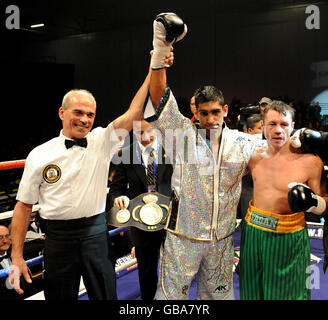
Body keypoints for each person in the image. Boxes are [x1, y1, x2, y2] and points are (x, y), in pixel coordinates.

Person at [9, 63, 172, 300]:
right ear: (61, 113)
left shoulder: (101, 140)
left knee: (106, 295)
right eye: (78, 112)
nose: (84, 119)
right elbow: (23, 206)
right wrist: (16, 256)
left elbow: (134, 111)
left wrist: (154, 66)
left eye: (90, 114)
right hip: (57, 238)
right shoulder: (39, 155)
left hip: (96, 233)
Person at [146, 12, 265, 300]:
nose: (210, 118)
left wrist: (298, 137)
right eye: (204, 112)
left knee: (219, 299)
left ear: (225, 111)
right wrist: (160, 51)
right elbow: (160, 98)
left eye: (215, 112)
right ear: (195, 113)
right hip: (182, 238)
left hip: (221, 241)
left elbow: (276, 143)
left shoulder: (243, 142)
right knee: (172, 300)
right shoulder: (181, 137)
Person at [239, 100, 328, 300]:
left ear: (293, 126)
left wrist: (314, 203)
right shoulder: (253, 157)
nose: (278, 130)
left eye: (284, 124)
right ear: (262, 126)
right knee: (251, 295)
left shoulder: (311, 162)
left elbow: (325, 204)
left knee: (291, 296)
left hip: (288, 238)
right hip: (252, 233)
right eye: (272, 124)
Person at [108, 120, 173, 300]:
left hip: (171, 219)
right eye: (139, 133)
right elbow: (116, 189)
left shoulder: (172, 151)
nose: (144, 137)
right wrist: (117, 198)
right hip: (141, 222)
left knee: (173, 269)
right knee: (146, 271)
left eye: (148, 131)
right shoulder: (126, 155)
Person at [237, 114, 263, 221]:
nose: (263, 131)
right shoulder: (240, 146)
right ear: (250, 131)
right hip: (248, 190)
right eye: (260, 128)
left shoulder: (270, 146)